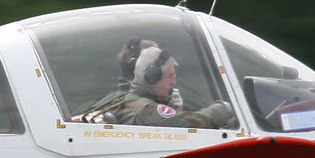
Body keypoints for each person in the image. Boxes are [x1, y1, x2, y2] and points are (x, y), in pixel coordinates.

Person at [88, 46, 238, 129]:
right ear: (151, 77)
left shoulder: (116, 98)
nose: (174, 82)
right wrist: (223, 109)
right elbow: (198, 124)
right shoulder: (148, 110)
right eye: (170, 76)